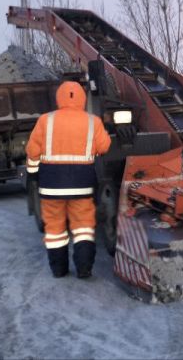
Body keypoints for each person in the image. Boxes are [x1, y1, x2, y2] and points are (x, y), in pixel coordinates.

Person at [26, 81, 111, 279]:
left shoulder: (45, 121)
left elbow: (32, 151)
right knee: (83, 229)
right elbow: (104, 147)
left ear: (59, 98)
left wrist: (33, 174)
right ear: (82, 98)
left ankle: (59, 270)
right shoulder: (93, 122)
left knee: (55, 231)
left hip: (51, 187)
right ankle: (84, 269)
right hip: (82, 186)